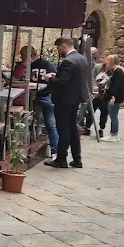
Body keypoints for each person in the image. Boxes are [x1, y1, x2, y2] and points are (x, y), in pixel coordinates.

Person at [42, 38, 90, 169]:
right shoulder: (81, 59)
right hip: (75, 99)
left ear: (63, 46)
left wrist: (50, 78)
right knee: (72, 128)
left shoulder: (68, 61)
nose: (59, 51)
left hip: (64, 100)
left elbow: (63, 82)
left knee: (63, 129)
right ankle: (77, 158)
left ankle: (61, 158)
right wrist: (56, 75)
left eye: (58, 48)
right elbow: (70, 78)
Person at [20, 46, 59, 155]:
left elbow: (55, 78)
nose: (21, 58)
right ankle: (26, 146)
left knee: (51, 124)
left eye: (23, 55)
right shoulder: (21, 66)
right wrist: (22, 66)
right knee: (26, 121)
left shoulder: (46, 64)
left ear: (31, 56)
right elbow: (16, 78)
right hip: (28, 98)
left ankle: (56, 151)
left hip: (45, 96)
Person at [100, 54, 124, 142]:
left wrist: (113, 97)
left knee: (113, 115)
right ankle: (113, 133)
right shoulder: (115, 71)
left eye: (108, 60)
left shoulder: (118, 71)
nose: (106, 62)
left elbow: (117, 85)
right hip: (114, 96)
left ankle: (113, 134)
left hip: (115, 97)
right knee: (113, 115)